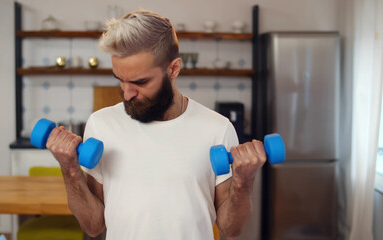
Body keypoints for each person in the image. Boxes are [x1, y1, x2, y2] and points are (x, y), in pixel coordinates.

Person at [46, 10, 266, 240]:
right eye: (120, 79)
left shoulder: (217, 128)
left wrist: (243, 180)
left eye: (140, 82)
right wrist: (70, 168)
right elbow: (93, 226)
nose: (127, 93)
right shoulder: (101, 125)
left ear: (173, 69)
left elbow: (231, 230)